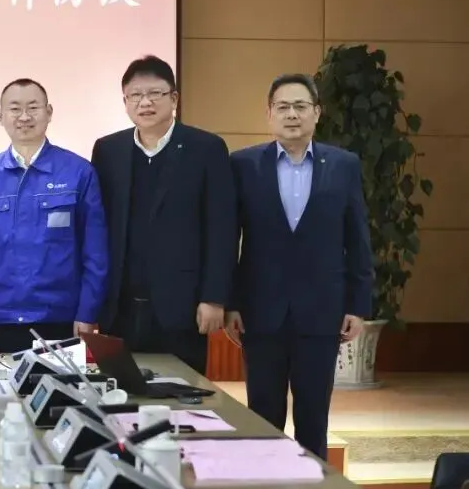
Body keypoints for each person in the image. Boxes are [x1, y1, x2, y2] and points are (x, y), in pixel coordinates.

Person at [226, 73, 373, 461]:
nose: (292, 114)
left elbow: (357, 238)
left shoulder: (343, 165)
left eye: (300, 106)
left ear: (316, 113)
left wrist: (358, 305)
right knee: (262, 418)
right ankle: (264, 487)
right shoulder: (243, 164)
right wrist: (231, 303)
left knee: (313, 420)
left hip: (321, 312)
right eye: (283, 107)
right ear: (269, 114)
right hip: (260, 312)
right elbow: (228, 239)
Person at [0, 78, 110, 353]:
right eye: (15, 109)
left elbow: (96, 252)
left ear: (49, 112)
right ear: (0, 116)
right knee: (5, 382)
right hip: (4, 314)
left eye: (33, 107)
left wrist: (88, 312)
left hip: (61, 316)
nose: (24, 117)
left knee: (60, 383)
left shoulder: (78, 172)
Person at [90, 56, 236, 375]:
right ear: (125, 102)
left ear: (174, 98)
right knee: (121, 396)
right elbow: (98, 228)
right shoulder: (108, 150)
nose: (145, 102)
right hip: (120, 307)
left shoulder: (206, 149)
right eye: (135, 95)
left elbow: (222, 228)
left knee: (182, 395)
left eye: (155, 93)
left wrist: (214, 297)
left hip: (183, 306)